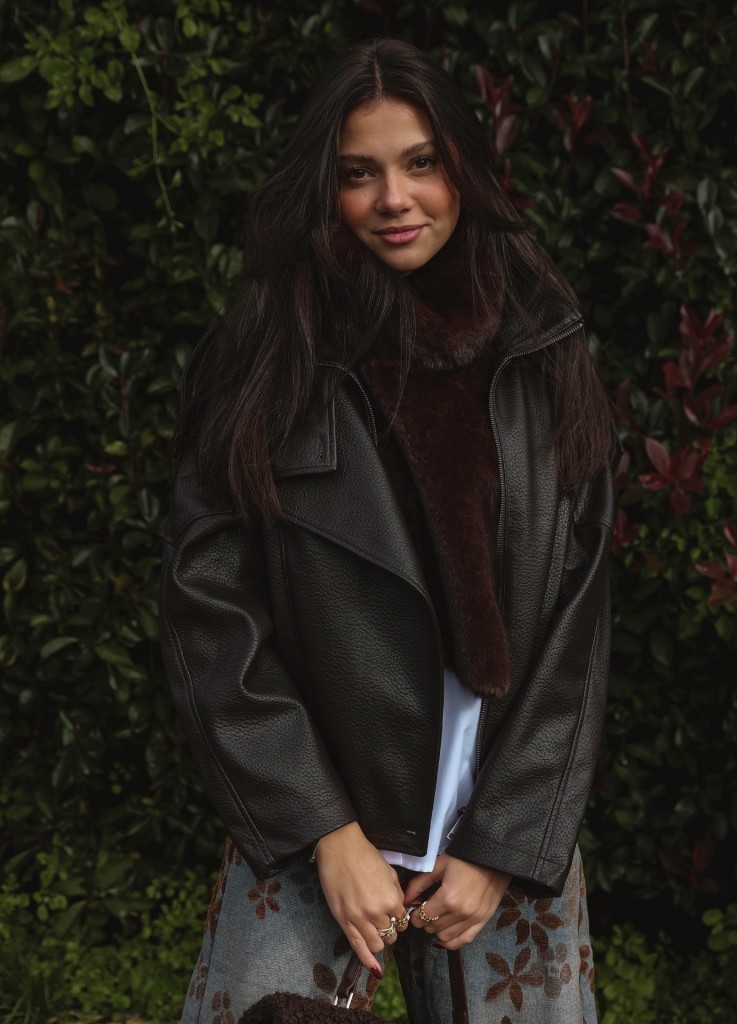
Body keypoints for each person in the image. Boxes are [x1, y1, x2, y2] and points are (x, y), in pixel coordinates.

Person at [161, 37, 616, 1024]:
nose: (394, 199)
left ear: (463, 169)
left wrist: (507, 840)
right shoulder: (266, 354)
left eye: (420, 163)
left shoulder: (543, 346)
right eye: (358, 173)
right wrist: (322, 826)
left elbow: (577, 613)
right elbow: (209, 610)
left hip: (497, 828)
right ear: (323, 189)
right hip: (321, 828)